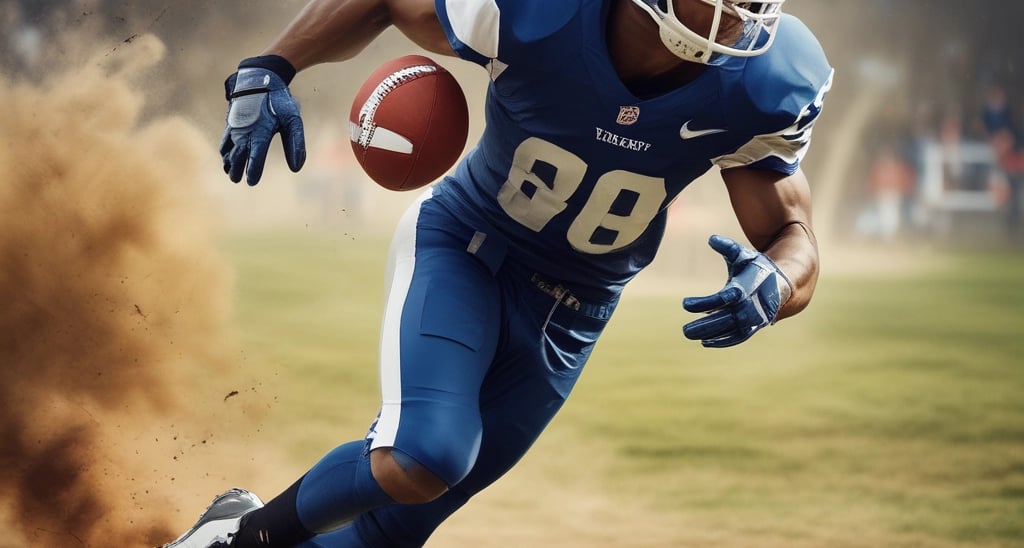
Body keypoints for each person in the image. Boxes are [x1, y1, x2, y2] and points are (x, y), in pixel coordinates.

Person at [163, 0, 832, 546]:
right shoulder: (541, 14)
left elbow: (789, 234)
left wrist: (774, 283)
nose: (742, 14)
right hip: (471, 248)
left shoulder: (764, 80)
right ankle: (234, 539)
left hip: (574, 313)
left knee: (395, 529)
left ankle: (238, 524)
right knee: (427, 456)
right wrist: (270, 66)